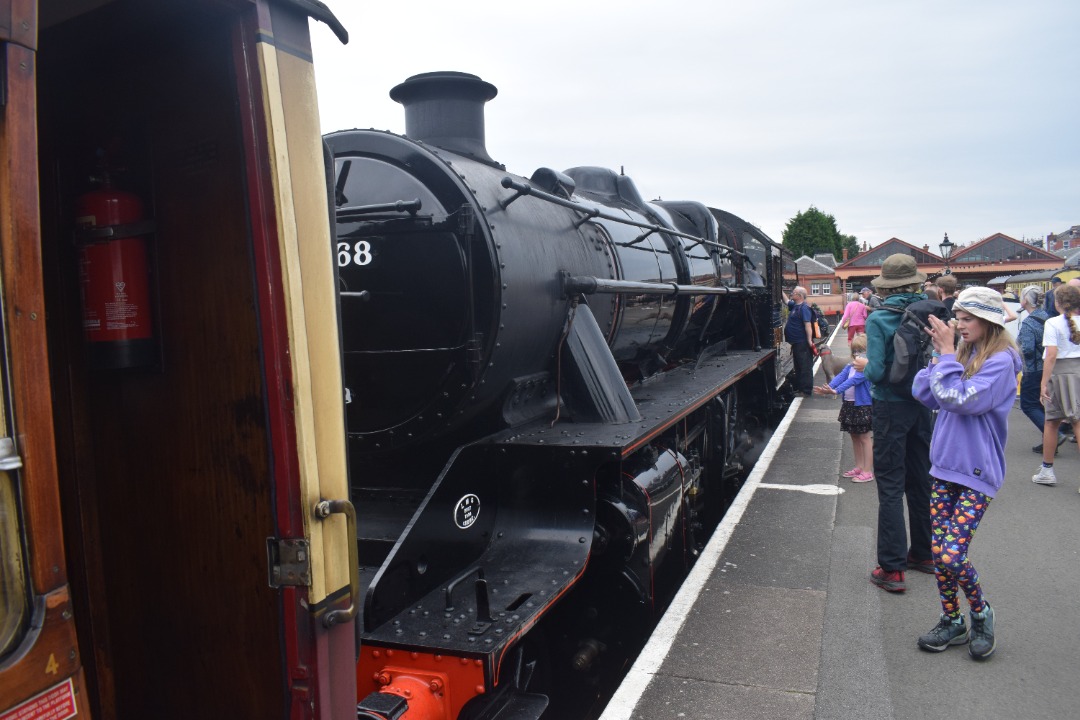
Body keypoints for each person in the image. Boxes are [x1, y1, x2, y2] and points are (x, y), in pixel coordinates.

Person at [912, 286, 1020, 660]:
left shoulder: (1001, 361)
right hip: (944, 467)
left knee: (952, 554)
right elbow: (925, 394)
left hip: (977, 471)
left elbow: (960, 399)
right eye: (958, 318)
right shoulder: (963, 352)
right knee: (940, 552)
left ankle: (980, 612)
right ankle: (951, 620)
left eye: (967, 318)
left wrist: (945, 356)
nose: (959, 324)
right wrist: (939, 356)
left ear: (989, 321)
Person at [857, 254, 934, 593]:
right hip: (923, 406)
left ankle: (892, 568)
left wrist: (861, 365)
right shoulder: (930, 310)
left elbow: (876, 371)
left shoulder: (881, 318)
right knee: (920, 480)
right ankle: (924, 554)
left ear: (886, 285)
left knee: (890, 486)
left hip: (889, 407)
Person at [1032, 283, 1080, 489]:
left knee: (1053, 421)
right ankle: (1046, 470)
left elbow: (1051, 355)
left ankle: (1047, 470)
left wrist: (1043, 383)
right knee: (1073, 420)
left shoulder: (1052, 323)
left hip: (1061, 373)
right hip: (1077, 370)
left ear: (1057, 302)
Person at [815, 333, 873, 482]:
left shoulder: (866, 369)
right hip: (850, 404)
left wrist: (835, 390)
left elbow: (853, 381)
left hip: (863, 406)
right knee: (854, 435)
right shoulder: (850, 365)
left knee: (865, 437)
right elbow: (841, 377)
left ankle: (867, 471)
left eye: (860, 351)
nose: (857, 354)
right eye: (854, 351)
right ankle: (859, 466)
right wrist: (827, 387)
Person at [1016, 285, 1062, 454]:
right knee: (1042, 405)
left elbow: (1027, 349)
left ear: (1025, 300)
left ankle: (1056, 434)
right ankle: (1049, 442)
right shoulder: (1047, 318)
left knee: (1028, 405)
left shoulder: (1028, 323)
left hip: (1033, 369)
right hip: (1048, 368)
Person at [783, 287, 815, 396]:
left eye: (794, 292)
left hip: (802, 342)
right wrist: (779, 289)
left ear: (800, 296)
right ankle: (801, 389)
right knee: (798, 366)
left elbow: (808, 325)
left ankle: (806, 391)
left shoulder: (804, 308)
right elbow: (786, 301)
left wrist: (809, 340)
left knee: (805, 366)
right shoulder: (795, 306)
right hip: (796, 342)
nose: (792, 293)